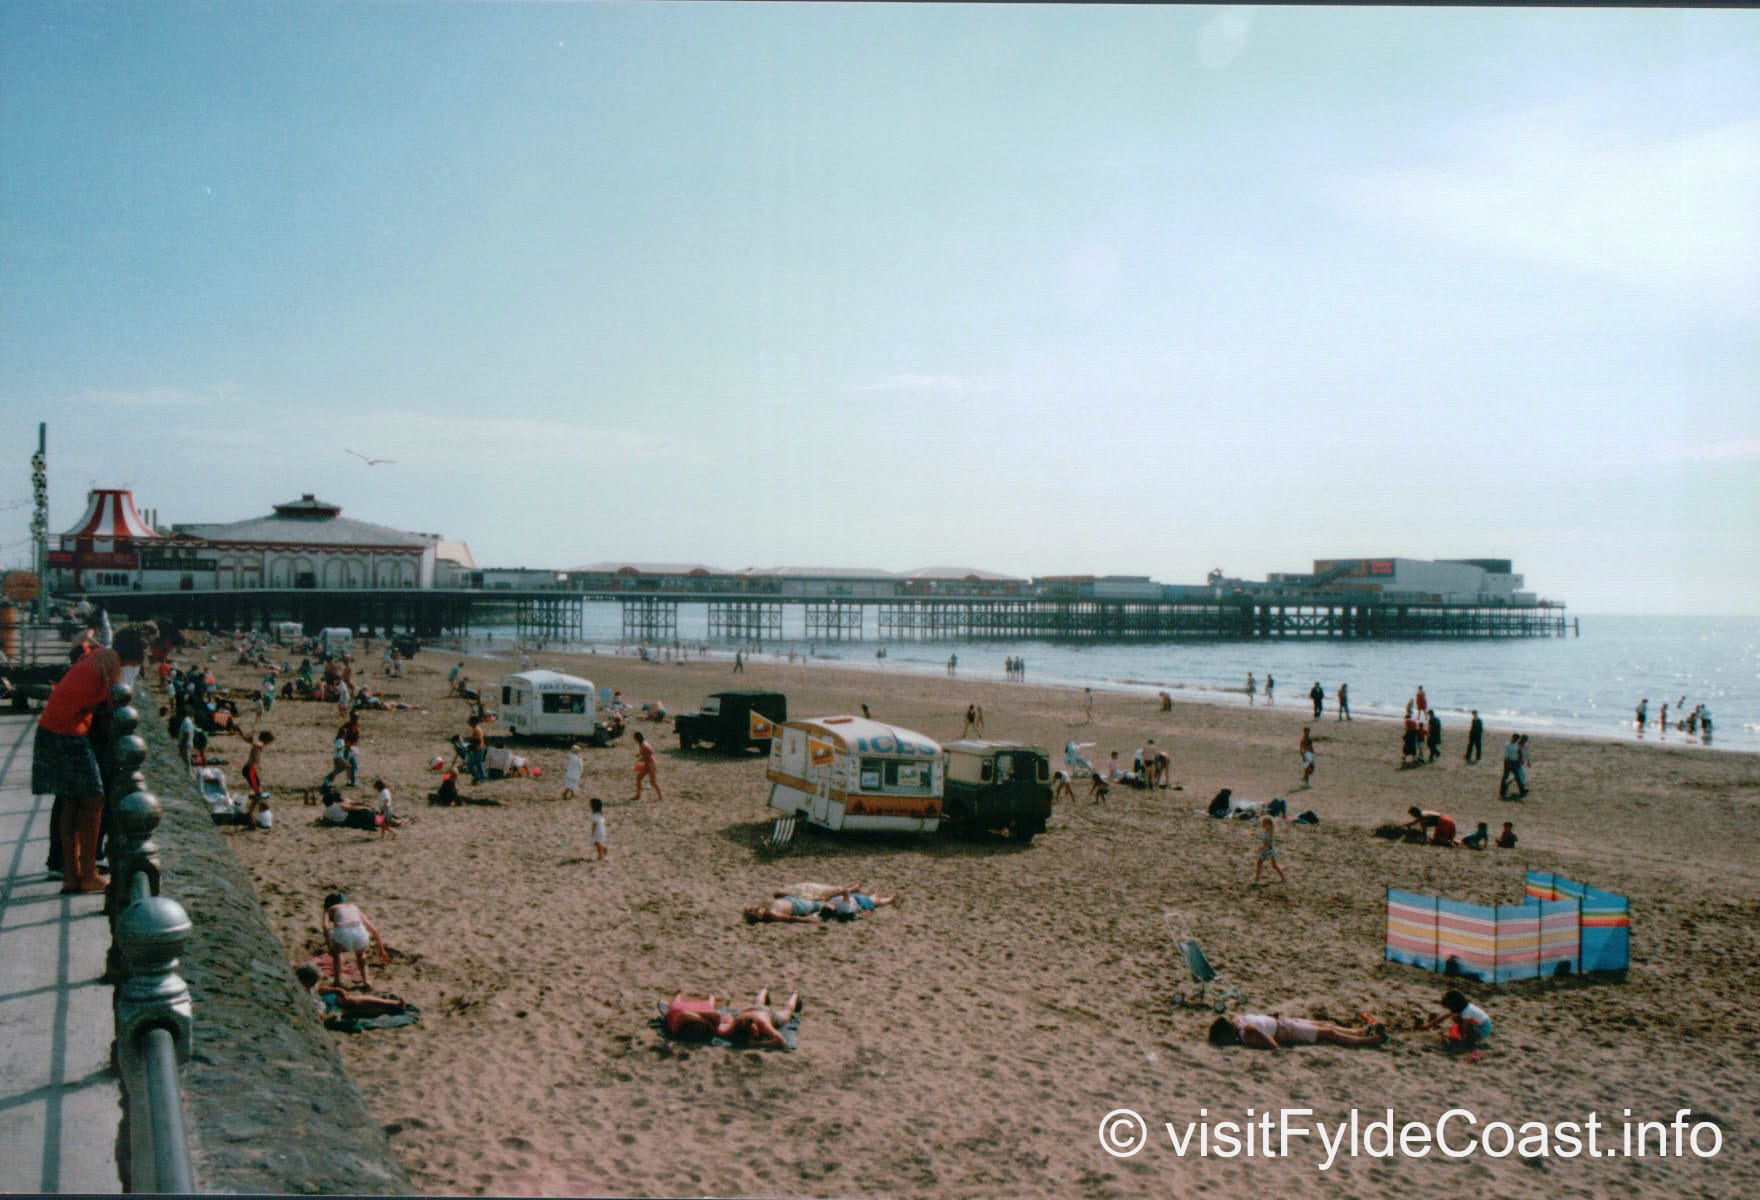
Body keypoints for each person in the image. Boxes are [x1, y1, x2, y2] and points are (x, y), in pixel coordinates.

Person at [34, 622, 154, 892]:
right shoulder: (110, 662)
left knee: (71, 804)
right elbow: (114, 703)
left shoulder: (100, 655)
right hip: (68, 733)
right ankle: (87, 875)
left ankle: (71, 875)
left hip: (52, 728)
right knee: (93, 801)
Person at [1208, 1012, 1385, 1049]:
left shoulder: (1239, 1023)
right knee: (1329, 1034)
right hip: (1285, 1031)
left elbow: (1235, 1015)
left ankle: (1360, 1031)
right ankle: (1368, 1041)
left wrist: (1239, 1022)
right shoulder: (1247, 1032)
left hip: (1283, 1022)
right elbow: (1272, 1044)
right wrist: (1257, 1032)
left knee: (1325, 1024)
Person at [296, 964, 408, 1022]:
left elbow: (317, 989)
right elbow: (321, 1016)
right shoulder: (300, 995)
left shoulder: (307, 983)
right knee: (351, 1010)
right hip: (323, 1009)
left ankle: (391, 1003)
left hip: (322, 999)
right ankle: (386, 1010)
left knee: (351, 1000)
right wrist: (334, 1014)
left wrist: (336, 990)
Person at [323, 892, 388, 989]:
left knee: (337, 953)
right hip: (360, 932)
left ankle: (337, 981)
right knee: (361, 956)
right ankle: (366, 980)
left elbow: (325, 926)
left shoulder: (330, 909)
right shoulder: (354, 907)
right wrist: (381, 950)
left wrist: (329, 945)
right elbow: (374, 930)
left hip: (343, 933)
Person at [1421, 989, 1492, 1059]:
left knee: (1457, 1019)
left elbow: (1464, 1027)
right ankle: (1467, 1039)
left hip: (1482, 1030)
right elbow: (1442, 1018)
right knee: (1456, 1018)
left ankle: (1469, 1041)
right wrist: (1427, 1026)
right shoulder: (1462, 1008)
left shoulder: (1466, 1012)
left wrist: (1462, 1039)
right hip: (1479, 1026)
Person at [726, 988, 800, 1048]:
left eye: (755, 1032)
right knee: (758, 1003)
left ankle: (795, 995)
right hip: (751, 1009)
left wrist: (756, 1044)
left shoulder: (762, 1023)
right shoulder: (736, 1023)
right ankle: (764, 989)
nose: (757, 1034)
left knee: (786, 1013)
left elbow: (781, 1041)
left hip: (766, 1013)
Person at [1252, 815, 1286, 886]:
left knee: (1270, 865)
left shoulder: (1270, 832)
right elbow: (1265, 842)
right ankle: (1257, 880)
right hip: (1266, 850)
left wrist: (1261, 848)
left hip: (1269, 850)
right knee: (1264, 864)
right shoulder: (1266, 831)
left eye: (1265, 824)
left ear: (1270, 824)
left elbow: (1269, 843)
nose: (1264, 825)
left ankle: (1257, 880)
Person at [241, 729, 275, 797]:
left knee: (256, 784)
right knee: (256, 785)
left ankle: (255, 795)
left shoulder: (258, 745)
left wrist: (249, 739)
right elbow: (258, 744)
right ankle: (257, 795)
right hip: (249, 769)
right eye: (269, 742)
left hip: (250, 769)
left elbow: (254, 742)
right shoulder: (259, 744)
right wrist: (251, 740)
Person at [631, 730, 662, 801]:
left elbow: (649, 753)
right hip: (647, 764)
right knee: (638, 779)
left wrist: (640, 760)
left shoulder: (644, 745)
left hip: (651, 765)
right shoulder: (642, 744)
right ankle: (638, 795)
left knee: (653, 782)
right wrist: (640, 755)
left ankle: (660, 796)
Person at [1499, 734, 1525, 798]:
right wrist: (1508, 762)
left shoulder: (1516, 745)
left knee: (1518, 777)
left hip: (1515, 762)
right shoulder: (1507, 745)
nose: (1516, 740)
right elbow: (1506, 755)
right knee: (1505, 777)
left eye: (1517, 739)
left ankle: (1522, 790)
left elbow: (1518, 753)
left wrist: (1520, 761)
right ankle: (1502, 792)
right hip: (1508, 762)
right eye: (1515, 739)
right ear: (1512, 738)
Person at [465, 715, 487, 785]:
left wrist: (470, 747)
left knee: (470, 764)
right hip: (479, 748)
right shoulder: (476, 729)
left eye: (470, 721)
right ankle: (482, 778)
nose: (469, 723)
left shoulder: (476, 730)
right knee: (479, 764)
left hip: (478, 749)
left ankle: (478, 777)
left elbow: (478, 741)